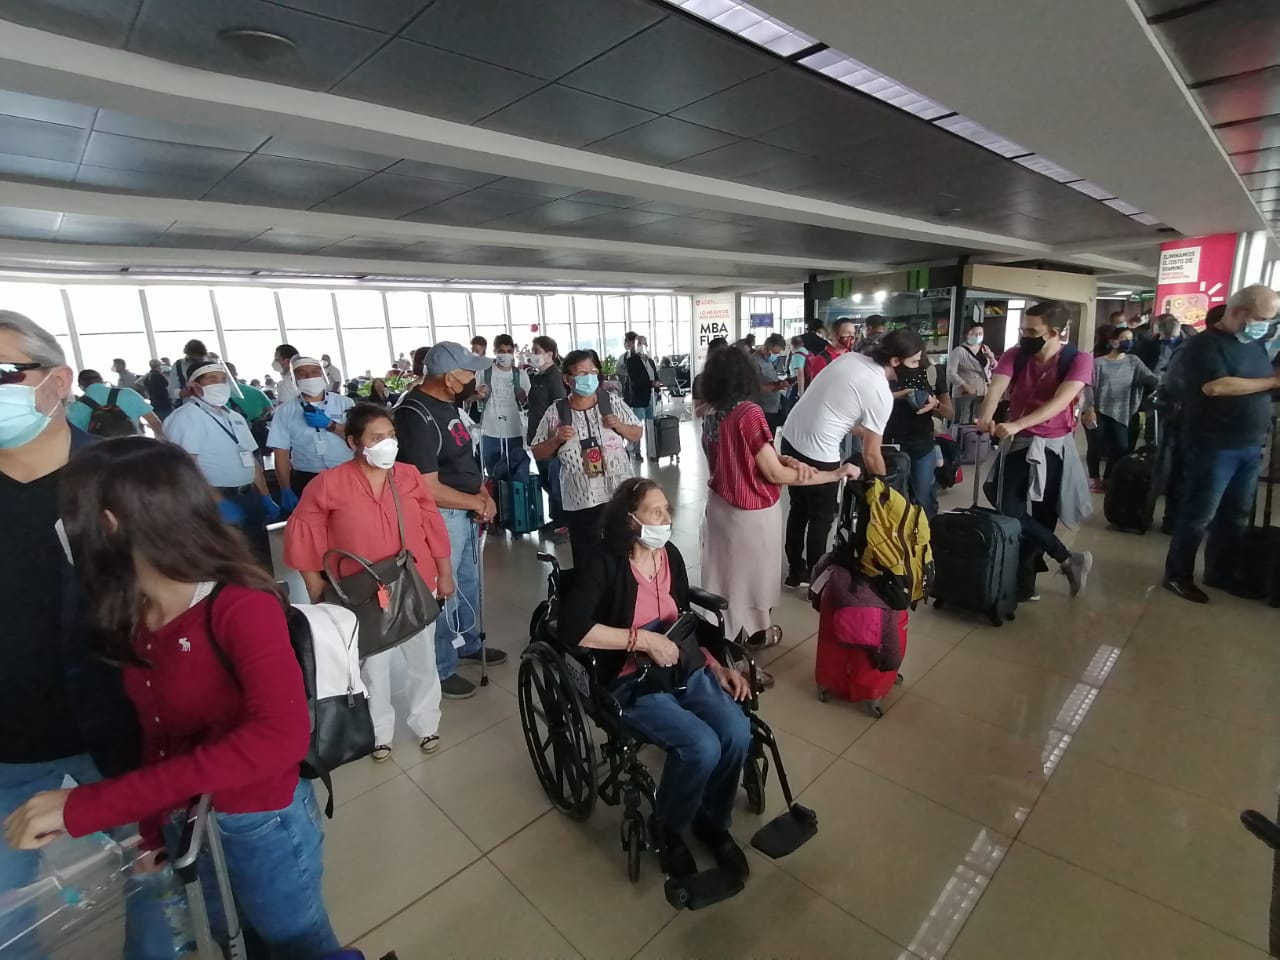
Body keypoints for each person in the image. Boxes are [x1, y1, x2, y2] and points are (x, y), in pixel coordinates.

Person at [4, 438, 340, 958]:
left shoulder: (239, 605)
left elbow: (280, 738)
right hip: (188, 820)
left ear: (111, 525)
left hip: (257, 822)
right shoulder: (132, 610)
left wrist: (94, 805)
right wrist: (151, 828)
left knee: (295, 942)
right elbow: (159, 733)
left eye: (71, 517)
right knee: (233, 940)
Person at [0, 311, 139, 950]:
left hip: (122, 727)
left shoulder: (132, 477)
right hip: (7, 746)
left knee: (161, 887)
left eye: (4, 373)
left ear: (58, 382)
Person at [559, 478, 753, 880]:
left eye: (667, 510)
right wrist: (640, 639)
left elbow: (684, 622)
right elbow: (573, 629)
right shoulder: (604, 562)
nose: (666, 518)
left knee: (736, 730)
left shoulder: (670, 556)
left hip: (682, 665)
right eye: (655, 511)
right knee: (700, 746)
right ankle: (669, 827)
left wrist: (715, 665)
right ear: (630, 520)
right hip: (631, 677)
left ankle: (712, 823)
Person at [285, 404, 453, 761]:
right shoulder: (328, 485)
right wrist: (318, 591)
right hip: (359, 593)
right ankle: (380, 732)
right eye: (376, 438)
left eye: (391, 436)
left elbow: (431, 525)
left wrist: (445, 572)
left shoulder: (407, 476)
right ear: (353, 442)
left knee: (422, 659)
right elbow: (304, 536)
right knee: (373, 666)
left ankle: (427, 723)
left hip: (416, 581)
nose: (387, 444)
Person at [699, 347, 853, 651]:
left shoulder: (712, 414)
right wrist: (833, 474)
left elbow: (735, 457)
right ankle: (751, 640)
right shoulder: (749, 412)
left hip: (720, 509)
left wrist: (781, 457)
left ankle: (725, 639)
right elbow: (773, 474)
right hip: (749, 512)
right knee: (754, 580)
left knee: (726, 579)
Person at [395, 342, 505, 701]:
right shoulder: (414, 414)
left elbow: (460, 458)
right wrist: (473, 499)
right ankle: (443, 665)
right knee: (445, 589)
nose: (474, 378)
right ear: (449, 377)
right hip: (441, 515)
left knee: (468, 583)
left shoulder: (447, 405)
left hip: (466, 508)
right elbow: (427, 487)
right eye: (469, 372)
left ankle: (467, 642)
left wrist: (482, 494)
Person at [1162, 284, 1280, 603]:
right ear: (1239, 311)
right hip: (1213, 444)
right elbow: (1216, 387)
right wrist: (1273, 381)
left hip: (1249, 443)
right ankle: (1177, 574)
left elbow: (1256, 386)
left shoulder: (1254, 346)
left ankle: (1220, 572)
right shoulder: (1203, 345)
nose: (1265, 326)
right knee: (1199, 513)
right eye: (1262, 318)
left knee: (1236, 514)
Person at [975, 300, 1094, 600]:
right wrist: (987, 415)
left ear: (1054, 332)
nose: (1024, 334)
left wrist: (1017, 424)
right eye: (1022, 328)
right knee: (1005, 501)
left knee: (1043, 514)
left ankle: (1025, 585)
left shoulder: (1078, 359)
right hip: (1018, 443)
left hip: (1052, 446)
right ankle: (1066, 557)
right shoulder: (1017, 355)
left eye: (1031, 330)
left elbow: (1059, 403)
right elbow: (997, 387)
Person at [780, 330, 908, 587]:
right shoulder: (881, 391)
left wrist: (859, 429)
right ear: (896, 360)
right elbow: (872, 454)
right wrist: (885, 489)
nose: (917, 368)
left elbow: (836, 406)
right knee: (822, 516)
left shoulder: (852, 359)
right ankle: (819, 581)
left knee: (799, 508)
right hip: (818, 451)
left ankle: (796, 571)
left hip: (791, 436)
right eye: (914, 362)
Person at [530, 349, 642, 564]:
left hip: (617, 494)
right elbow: (537, 451)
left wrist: (619, 426)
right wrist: (555, 440)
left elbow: (637, 433)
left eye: (593, 371)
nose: (589, 377)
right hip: (581, 500)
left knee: (621, 553)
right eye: (581, 373)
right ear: (567, 379)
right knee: (586, 557)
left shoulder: (612, 402)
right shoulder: (557, 411)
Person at [164, 362, 281, 567]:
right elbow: (185, 469)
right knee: (231, 562)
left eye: (222, 379)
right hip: (216, 501)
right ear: (195, 386)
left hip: (248, 496)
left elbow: (249, 458)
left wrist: (265, 495)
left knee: (259, 557)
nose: (220, 384)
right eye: (212, 379)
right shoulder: (186, 418)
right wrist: (217, 501)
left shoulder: (233, 416)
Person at [267, 356, 354, 511]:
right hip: (307, 477)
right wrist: (285, 489)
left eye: (315, 372)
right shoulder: (285, 411)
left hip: (345, 473)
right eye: (302, 374)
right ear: (295, 380)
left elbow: (358, 439)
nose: (309, 377)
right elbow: (281, 454)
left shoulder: (345, 403)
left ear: (323, 375)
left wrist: (331, 424)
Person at [1081, 324, 1158, 491]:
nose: (1129, 342)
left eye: (1131, 339)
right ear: (1113, 342)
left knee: (1121, 447)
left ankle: (1109, 476)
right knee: (1096, 446)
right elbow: (1089, 386)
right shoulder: (1098, 363)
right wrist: (1089, 408)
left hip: (1122, 411)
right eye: (1124, 339)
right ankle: (1094, 478)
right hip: (1098, 410)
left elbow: (1151, 378)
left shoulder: (1134, 361)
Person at [883, 341, 952, 518]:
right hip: (888, 446)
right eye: (912, 359)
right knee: (891, 502)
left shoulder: (932, 373)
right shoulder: (883, 374)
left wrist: (934, 404)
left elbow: (950, 413)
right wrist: (898, 395)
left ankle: (924, 538)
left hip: (921, 445)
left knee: (922, 499)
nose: (916, 362)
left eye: (918, 359)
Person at [526, 335, 568, 537]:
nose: (532, 355)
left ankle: (562, 523)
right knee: (546, 481)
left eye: (537, 351)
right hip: (537, 437)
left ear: (549, 354)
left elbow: (559, 408)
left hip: (550, 441)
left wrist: (555, 440)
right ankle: (555, 519)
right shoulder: (538, 376)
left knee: (555, 482)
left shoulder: (553, 376)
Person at [476, 333, 532, 482]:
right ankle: (497, 504)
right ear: (494, 351)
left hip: (514, 431)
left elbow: (527, 403)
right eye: (501, 351)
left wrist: (522, 398)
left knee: (516, 476)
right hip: (489, 431)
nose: (505, 355)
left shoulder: (521, 375)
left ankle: (516, 504)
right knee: (493, 475)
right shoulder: (484, 372)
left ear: (513, 352)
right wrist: (479, 394)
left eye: (509, 351)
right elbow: (473, 397)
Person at [947, 322, 995, 424]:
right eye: (974, 333)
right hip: (965, 393)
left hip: (983, 391)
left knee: (978, 420)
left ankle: (975, 440)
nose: (978, 336)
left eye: (980, 333)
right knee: (963, 420)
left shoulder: (985, 349)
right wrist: (964, 385)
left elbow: (992, 368)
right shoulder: (959, 351)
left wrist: (991, 357)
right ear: (968, 335)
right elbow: (951, 372)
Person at [622, 332, 658, 460]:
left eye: (645, 343)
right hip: (638, 397)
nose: (644, 346)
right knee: (637, 425)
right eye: (641, 343)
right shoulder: (631, 361)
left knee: (651, 423)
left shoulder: (650, 361)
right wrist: (650, 383)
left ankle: (652, 450)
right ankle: (634, 450)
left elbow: (655, 376)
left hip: (651, 396)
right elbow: (635, 380)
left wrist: (657, 385)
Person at [799, 317, 856, 393]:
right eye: (848, 333)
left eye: (853, 333)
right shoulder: (823, 359)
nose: (852, 337)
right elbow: (816, 389)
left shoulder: (854, 356)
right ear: (834, 335)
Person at [752, 334, 790, 435]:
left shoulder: (768, 360)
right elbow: (756, 387)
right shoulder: (755, 362)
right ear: (767, 348)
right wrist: (777, 386)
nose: (775, 356)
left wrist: (780, 382)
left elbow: (769, 378)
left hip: (773, 406)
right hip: (763, 409)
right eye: (775, 353)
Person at [692, 337, 728, 417]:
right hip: (713, 427)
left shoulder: (735, 377)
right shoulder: (700, 379)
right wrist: (718, 402)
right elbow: (698, 412)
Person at [168, 338, 209, 404]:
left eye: (200, 356)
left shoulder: (210, 364)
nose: (198, 359)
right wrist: (185, 392)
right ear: (189, 354)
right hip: (187, 405)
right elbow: (172, 390)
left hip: (209, 404)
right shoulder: (178, 365)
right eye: (194, 356)